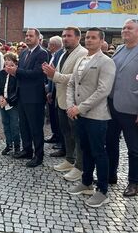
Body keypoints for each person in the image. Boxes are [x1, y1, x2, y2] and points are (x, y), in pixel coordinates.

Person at [107, 19, 138, 196]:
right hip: (113, 106)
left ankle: (133, 183)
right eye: (123, 27)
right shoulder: (120, 49)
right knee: (111, 143)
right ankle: (111, 175)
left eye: (130, 28)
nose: (125, 30)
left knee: (134, 149)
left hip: (132, 109)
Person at [66, 28, 116, 208]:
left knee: (99, 152)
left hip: (96, 116)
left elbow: (103, 91)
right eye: (87, 37)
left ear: (102, 41)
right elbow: (72, 83)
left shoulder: (106, 62)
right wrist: (71, 106)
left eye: (93, 38)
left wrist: (79, 107)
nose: (89, 40)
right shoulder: (81, 58)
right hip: (79, 114)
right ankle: (86, 182)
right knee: (85, 149)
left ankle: (102, 191)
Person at [43, 27, 88, 181]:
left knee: (77, 135)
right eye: (63, 36)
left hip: (74, 102)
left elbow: (77, 78)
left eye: (69, 36)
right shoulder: (62, 53)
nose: (65, 38)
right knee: (66, 133)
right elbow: (59, 74)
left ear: (78, 38)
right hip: (61, 99)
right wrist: (52, 89)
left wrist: (54, 75)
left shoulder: (82, 53)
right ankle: (69, 160)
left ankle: (79, 167)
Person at [7, 28, 48, 168]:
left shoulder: (42, 53)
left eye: (31, 36)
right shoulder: (24, 52)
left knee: (35, 127)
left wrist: (17, 71)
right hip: (22, 96)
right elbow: (22, 73)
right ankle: (27, 150)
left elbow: (38, 73)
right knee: (23, 125)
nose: (28, 38)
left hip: (35, 97)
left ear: (38, 38)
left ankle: (38, 156)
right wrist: (14, 72)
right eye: (26, 35)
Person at [0, 52, 21, 155]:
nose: (8, 67)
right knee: (5, 124)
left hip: (13, 104)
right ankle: (8, 145)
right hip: (3, 103)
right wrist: (0, 96)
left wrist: (8, 100)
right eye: (6, 64)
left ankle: (17, 146)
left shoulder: (17, 75)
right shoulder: (2, 73)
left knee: (14, 126)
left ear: (15, 65)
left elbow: (17, 91)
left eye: (11, 65)